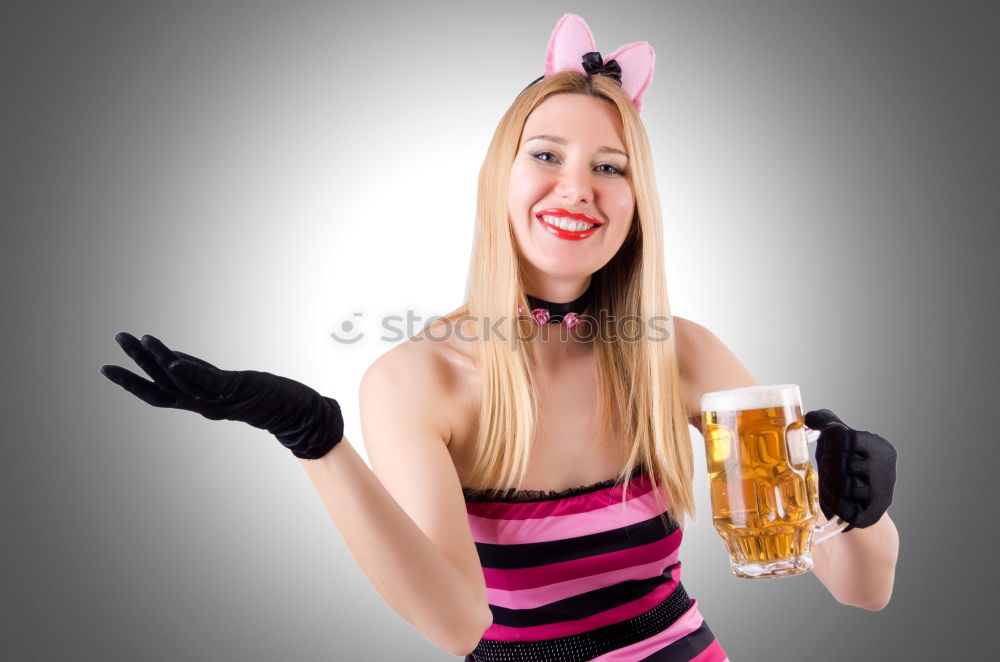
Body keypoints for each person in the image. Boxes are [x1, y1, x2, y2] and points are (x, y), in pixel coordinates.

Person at [100, 14, 898, 661]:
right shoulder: (418, 380)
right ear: (500, 178)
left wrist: (860, 505)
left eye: (611, 168)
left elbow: (861, 590)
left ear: (636, 205)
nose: (577, 188)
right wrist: (314, 440)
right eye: (546, 154)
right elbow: (456, 628)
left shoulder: (682, 353)